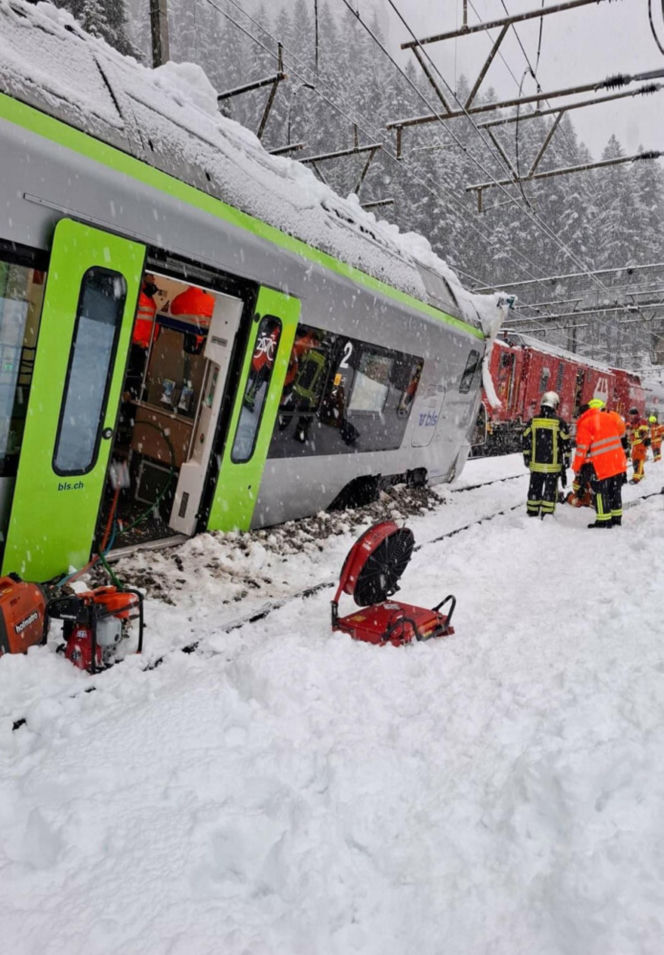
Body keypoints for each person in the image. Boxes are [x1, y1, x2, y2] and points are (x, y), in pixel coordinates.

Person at [572, 397, 627, 527]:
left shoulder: (586, 423)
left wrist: (576, 467)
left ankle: (603, 520)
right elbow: (621, 431)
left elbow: (582, 449)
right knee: (615, 490)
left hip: (601, 464)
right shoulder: (610, 417)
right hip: (617, 461)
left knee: (600, 492)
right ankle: (616, 518)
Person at [522, 390, 571, 518]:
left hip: (536, 464)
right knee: (550, 491)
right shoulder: (560, 422)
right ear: (555, 405)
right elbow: (566, 443)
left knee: (535, 488)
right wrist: (566, 460)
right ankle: (547, 513)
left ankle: (532, 510)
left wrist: (526, 457)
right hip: (552, 466)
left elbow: (525, 439)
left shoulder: (533, 421)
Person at [626, 407, 650, 483]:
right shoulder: (632, 423)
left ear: (635, 415)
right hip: (635, 445)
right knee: (634, 461)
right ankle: (641, 474)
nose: (630, 416)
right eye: (630, 415)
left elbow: (644, 433)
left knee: (638, 461)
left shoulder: (641, 422)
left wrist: (636, 434)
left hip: (641, 444)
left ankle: (636, 478)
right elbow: (631, 434)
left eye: (631, 415)